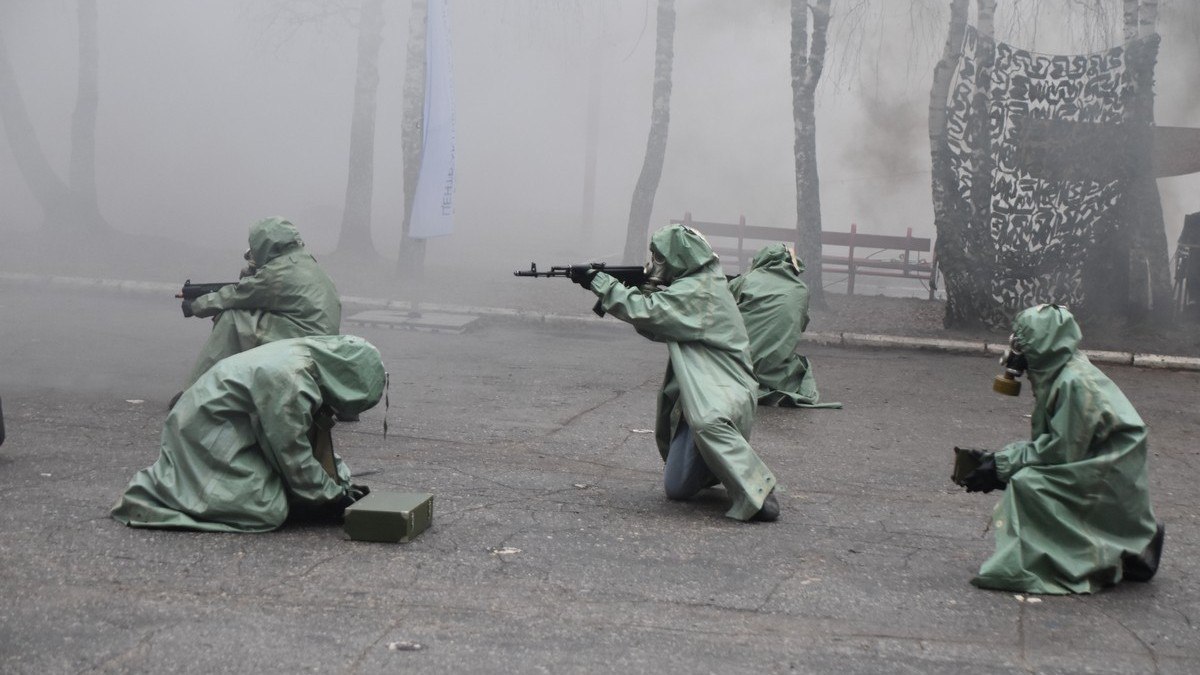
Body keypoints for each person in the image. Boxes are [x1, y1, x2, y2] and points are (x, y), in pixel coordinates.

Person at [573, 223, 779, 522]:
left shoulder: (700, 291)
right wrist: (623, 287)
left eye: (659, 256)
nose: (655, 263)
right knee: (677, 488)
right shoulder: (699, 285)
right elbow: (656, 325)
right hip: (706, 387)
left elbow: (649, 313)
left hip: (723, 390)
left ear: (680, 256)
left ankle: (759, 489)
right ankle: (720, 467)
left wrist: (601, 283)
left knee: (708, 422)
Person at [960, 304, 1164, 594]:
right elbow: (1060, 442)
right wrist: (998, 461)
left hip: (1107, 468)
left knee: (1029, 484)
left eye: (1021, 343)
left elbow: (1060, 451)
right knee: (1028, 477)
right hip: (1103, 461)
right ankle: (1120, 544)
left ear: (1041, 346)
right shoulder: (1062, 371)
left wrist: (1002, 466)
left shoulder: (1073, 383)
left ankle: (1061, 562)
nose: (1015, 354)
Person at [112, 335, 385, 532]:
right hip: (208, 431)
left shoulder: (310, 358)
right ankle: (160, 495)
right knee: (267, 509)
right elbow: (291, 449)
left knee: (325, 480)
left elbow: (306, 434)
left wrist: (336, 483)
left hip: (227, 423)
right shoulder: (289, 380)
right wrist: (331, 497)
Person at [180, 217, 342, 390]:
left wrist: (196, 305)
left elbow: (238, 295)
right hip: (321, 341)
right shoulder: (306, 263)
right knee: (253, 320)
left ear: (264, 244)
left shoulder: (279, 272)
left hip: (302, 339)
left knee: (232, 320)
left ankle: (196, 390)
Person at [728, 244, 840, 408]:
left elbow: (721, 312)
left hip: (738, 362)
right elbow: (800, 326)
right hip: (776, 367)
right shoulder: (801, 290)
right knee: (799, 364)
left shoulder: (746, 280)